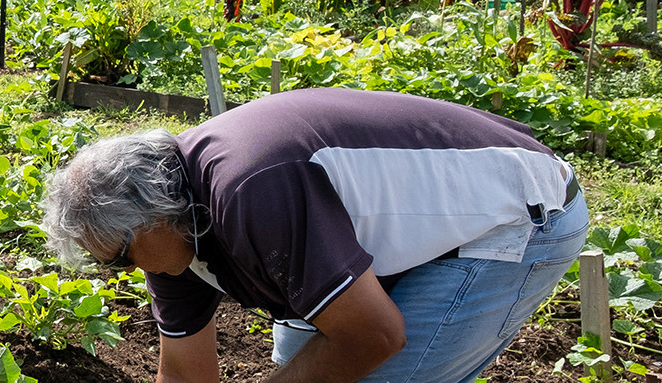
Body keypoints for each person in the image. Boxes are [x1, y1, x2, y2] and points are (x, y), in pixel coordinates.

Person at [40, 88, 588, 383]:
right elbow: (185, 372)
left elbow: (374, 336)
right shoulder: (172, 228)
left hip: (515, 215)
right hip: (398, 232)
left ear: (152, 216)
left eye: (119, 258)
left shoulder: (249, 194)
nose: (126, 274)